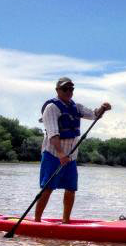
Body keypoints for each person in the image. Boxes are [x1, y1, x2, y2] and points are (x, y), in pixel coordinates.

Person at [35, 77, 111, 223]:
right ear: (57, 90)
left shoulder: (76, 107)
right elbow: (53, 134)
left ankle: (66, 221)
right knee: (48, 188)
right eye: (65, 89)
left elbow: (94, 115)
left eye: (71, 89)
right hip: (53, 153)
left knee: (71, 189)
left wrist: (103, 108)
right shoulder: (51, 108)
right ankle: (37, 222)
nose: (69, 91)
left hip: (71, 156)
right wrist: (60, 154)